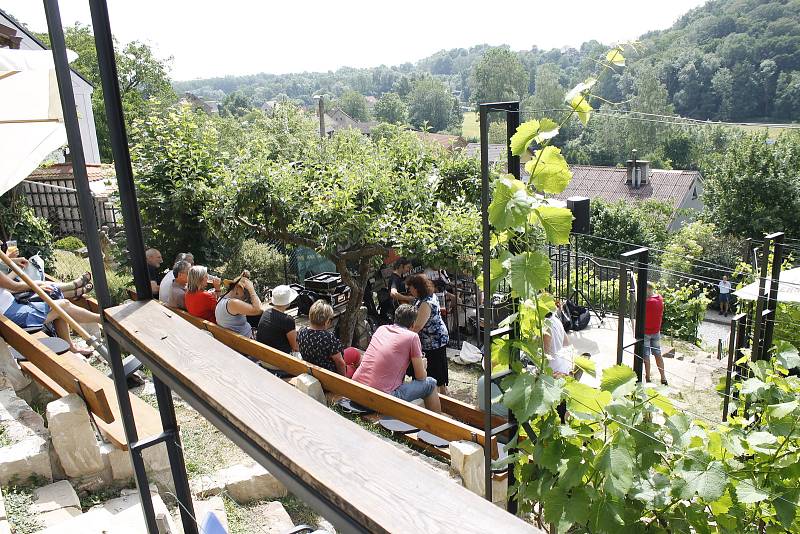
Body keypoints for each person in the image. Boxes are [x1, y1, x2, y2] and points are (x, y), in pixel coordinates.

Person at [353, 304, 441, 412]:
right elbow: (420, 377)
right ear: (413, 324)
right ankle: (438, 424)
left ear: (395, 318)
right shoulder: (412, 337)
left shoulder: (381, 329)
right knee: (430, 383)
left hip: (355, 391)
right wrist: (423, 366)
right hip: (379, 400)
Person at [0, 268, 100, 356]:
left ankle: (71, 346)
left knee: (60, 307)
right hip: (12, 316)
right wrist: (35, 286)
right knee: (63, 306)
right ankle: (101, 319)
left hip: (12, 310)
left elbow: (8, 287)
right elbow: (14, 286)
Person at [405, 274, 449, 394]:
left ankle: (442, 399)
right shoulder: (424, 298)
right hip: (430, 341)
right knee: (435, 372)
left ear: (417, 288)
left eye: (410, 288)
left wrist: (404, 338)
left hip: (434, 342)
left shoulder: (426, 303)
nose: (409, 290)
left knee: (437, 375)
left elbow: (417, 326)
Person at [297, 300, 346, 375]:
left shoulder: (301, 332)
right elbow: (340, 363)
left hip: (310, 371)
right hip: (328, 376)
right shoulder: (328, 338)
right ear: (326, 322)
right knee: (354, 353)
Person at [215, 272, 263, 338]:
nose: (246, 296)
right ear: (237, 288)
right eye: (245, 291)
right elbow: (259, 310)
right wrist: (251, 289)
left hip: (235, 338)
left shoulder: (221, 299)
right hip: (248, 338)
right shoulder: (233, 303)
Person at [256, 285, 299, 354]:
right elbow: (295, 347)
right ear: (288, 302)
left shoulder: (266, 312)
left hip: (262, 356)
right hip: (278, 361)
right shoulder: (288, 320)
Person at [644, 282, 668, 385]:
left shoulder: (648, 302)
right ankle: (663, 378)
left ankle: (648, 377)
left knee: (646, 355)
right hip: (656, 331)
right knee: (658, 354)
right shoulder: (660, 298)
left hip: (646, 332)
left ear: (648, 289)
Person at [543, 301, 573, 377]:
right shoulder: (555, 320)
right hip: (563, 365)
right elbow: (567, 344)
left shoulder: (545, 327)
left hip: (554, 371)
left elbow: (545, 357)